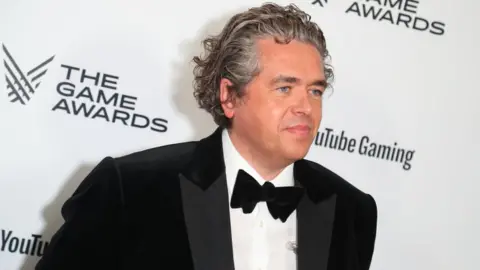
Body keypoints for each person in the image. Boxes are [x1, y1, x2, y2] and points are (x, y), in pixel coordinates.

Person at [35, 3, 377, 270]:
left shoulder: (351, 209)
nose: (305, 106)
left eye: (315, 91)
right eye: (285, 88)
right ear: (229, 96)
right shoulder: (129, 190)